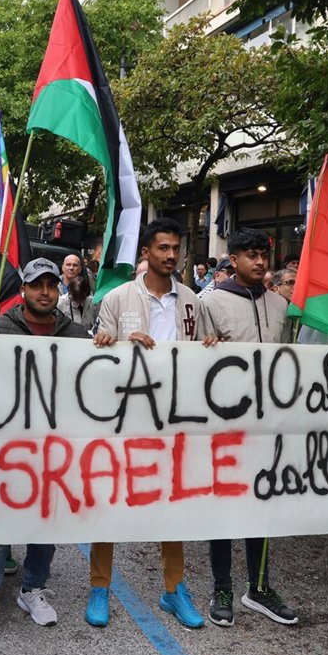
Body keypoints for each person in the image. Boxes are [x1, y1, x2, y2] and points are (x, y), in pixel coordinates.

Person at [0, 258, 88, 641]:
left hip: (53, 446)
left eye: (51, 284)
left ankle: (32, 589)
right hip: (7, 445)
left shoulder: (76, 333)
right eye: (36, 285)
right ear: (24, 290)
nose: (44, 292)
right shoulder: (0, 327)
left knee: (45, 523)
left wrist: (109, 346)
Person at [88, 217, 205, 630]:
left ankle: (174, 588)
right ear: (146, 252)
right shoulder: (117, 299)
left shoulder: (191, 300)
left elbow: (199, 354)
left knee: (171, 503)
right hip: (123, 418)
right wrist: (118, 344)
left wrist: (210, 347)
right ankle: (99, 585)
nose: (171, 255)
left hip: (173, 418)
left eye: (176, 248)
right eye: (163, 248)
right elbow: (96, 359)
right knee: (110, 500)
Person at [197, 228, 297, 627]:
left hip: (267, 425)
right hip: (224, 425)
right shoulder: (211, 302)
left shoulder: (281, 304)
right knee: (223, 506)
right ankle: (221, 587)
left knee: (261, 505)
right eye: (250, 255)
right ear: (234, 260)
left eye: (263, 255)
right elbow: (195, 359)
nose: (259, 262)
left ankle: (259, 587)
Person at [58, 268, 97, 333]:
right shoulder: (60, 303)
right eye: (75, 299)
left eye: (81, 299)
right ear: (70, 293)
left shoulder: (93, 302)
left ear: (86, 293)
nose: (78, 302)